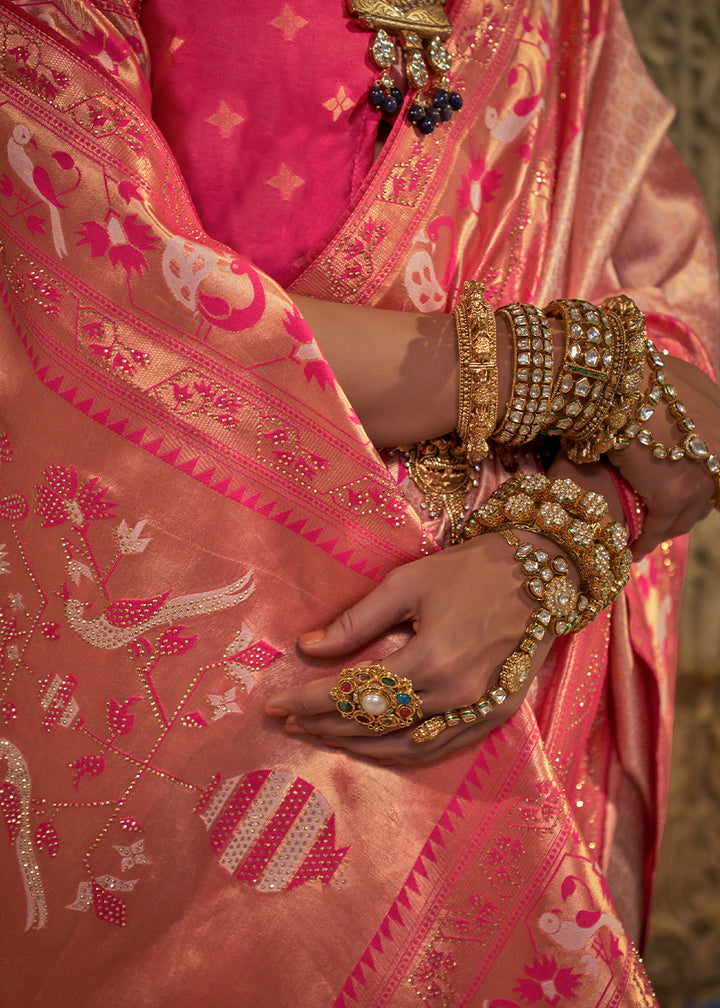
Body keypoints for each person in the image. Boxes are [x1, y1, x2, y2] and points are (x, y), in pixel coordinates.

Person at [0, 0, 717, 1005]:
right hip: (207, 695)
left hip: (521, 689)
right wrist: (549, 369)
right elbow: (77, 277)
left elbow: (678, 343)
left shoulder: (560, 13)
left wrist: (548, 552)